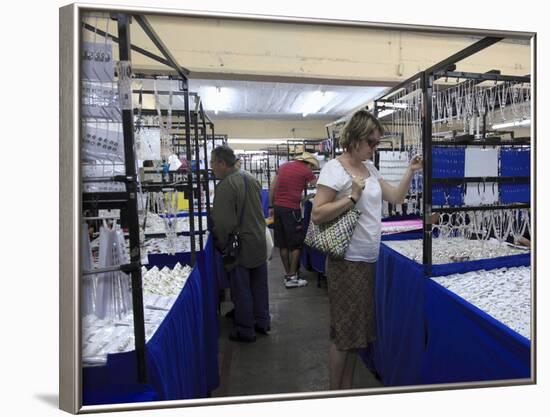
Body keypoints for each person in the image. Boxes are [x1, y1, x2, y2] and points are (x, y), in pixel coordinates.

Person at [311, 110, 422, 389]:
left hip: (368, 259)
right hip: (347, 261)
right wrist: (351, 196)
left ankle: (346, 390)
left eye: (377, 143)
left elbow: (395, 197)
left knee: (356, 335)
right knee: (344, 334)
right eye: (372, 142)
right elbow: (317, 214)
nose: (375, 148)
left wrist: (410, 171)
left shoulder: (370, 169)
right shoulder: (334, 169)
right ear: (355, 138)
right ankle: (335, 394)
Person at [210, 146, 271, 342]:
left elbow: (223, 222)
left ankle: (245, 329)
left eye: (212, 163)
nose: (211, 168)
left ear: (221, 163)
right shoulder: (250, 178)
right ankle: (262, 321)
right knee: (259, 285)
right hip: (258, 239)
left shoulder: (226, 186)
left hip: (240, 245)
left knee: (241, 288)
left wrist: (221, 243)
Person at [269, 151, 319, 288]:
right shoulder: (306, 171)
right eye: (312, 167)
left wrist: (271, 206)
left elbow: (273, 187)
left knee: (283, 244)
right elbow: (320, 186)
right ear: (308, 163)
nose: (312, 170)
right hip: (292, 210)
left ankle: (288, 275)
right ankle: (292, 277)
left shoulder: (283, 166)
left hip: (278, 208)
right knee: (296, 244)